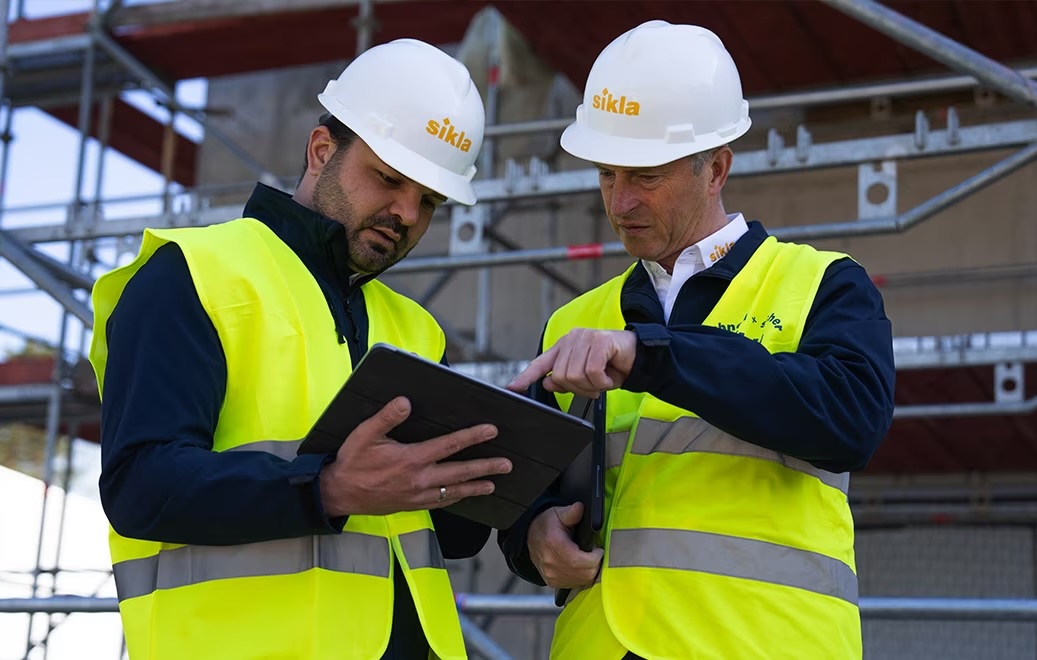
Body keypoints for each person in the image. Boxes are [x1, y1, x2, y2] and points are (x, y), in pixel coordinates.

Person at [90, 39, 513, 660]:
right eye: (389, 178)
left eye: (429, 201)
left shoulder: (416, 329)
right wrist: (328, 488)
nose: (405, 213)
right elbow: (140, 488)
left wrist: (505, 455)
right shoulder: (196, 274)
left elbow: (450, 536)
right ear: (321, 151)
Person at [497, 20, 896, 660]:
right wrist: (531, 536)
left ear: (716, 169)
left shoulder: (823, 284)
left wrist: (651, 356)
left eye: (645, 176)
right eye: (606, 174)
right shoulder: (575, 319)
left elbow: (851, 421)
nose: (619, 203)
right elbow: (526, 484)